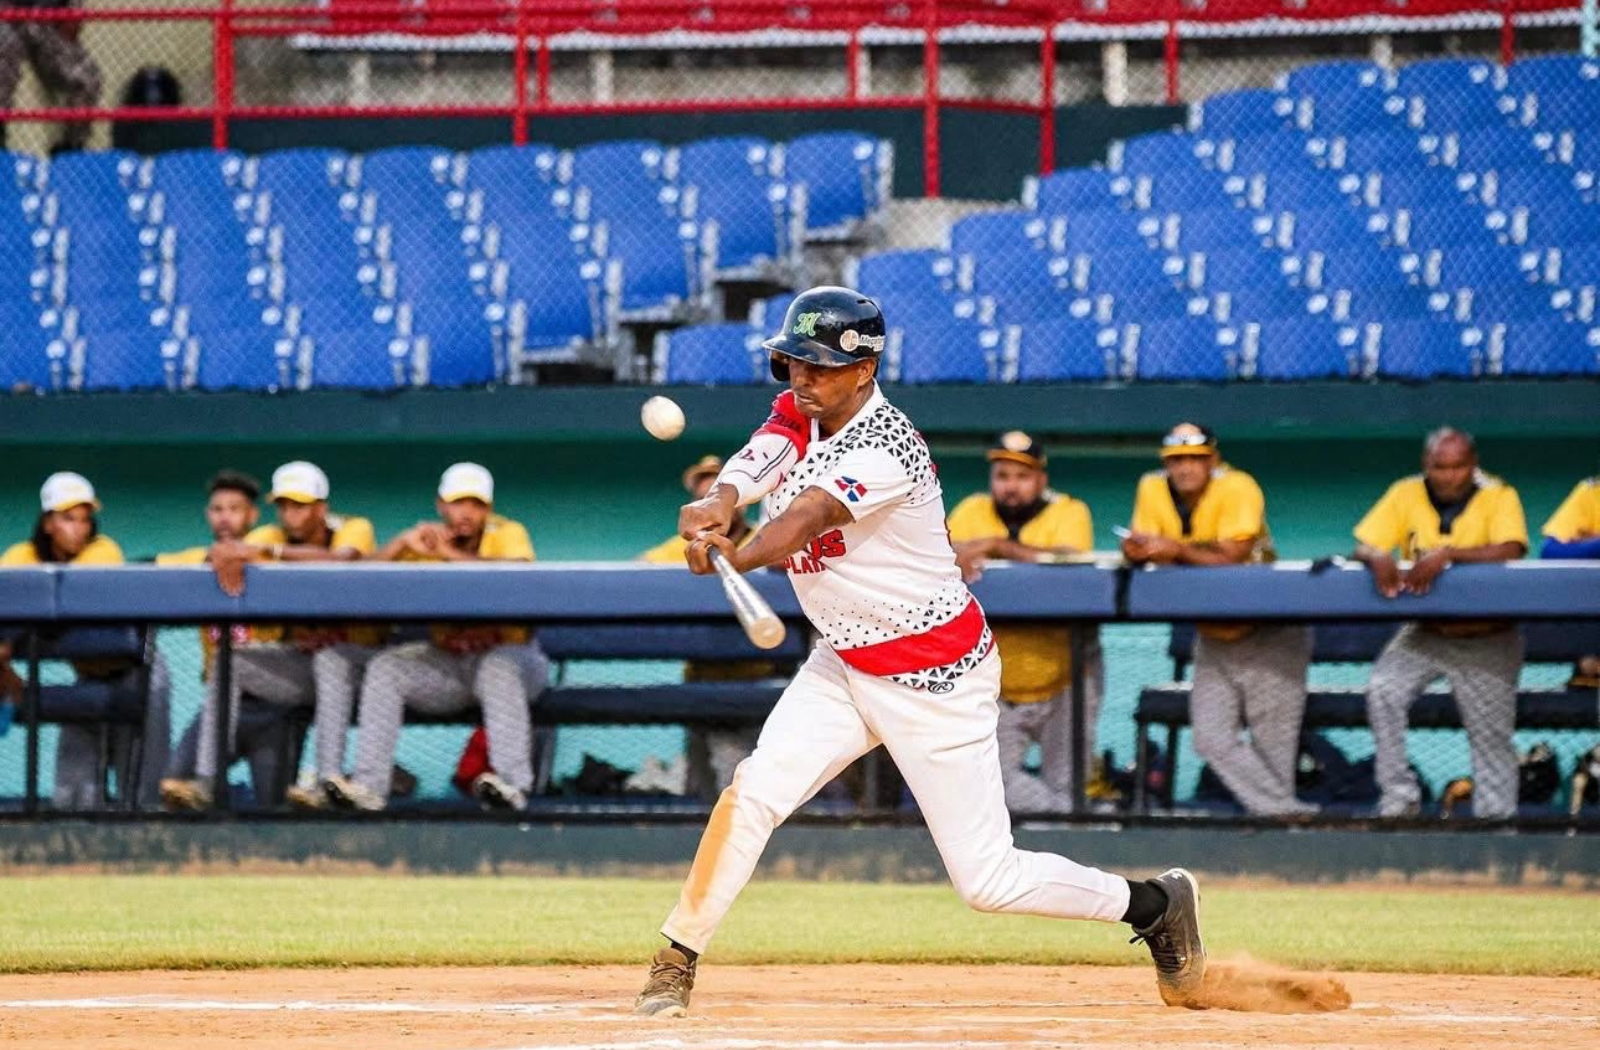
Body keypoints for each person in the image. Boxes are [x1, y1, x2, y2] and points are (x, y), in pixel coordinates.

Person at [632, 287, 1204, 1019]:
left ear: (863, 369)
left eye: (816, 367)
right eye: (790, 363)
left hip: (935, 678)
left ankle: (1155, 904)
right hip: (842, 663)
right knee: (753, 795)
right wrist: (721, 500)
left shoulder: (887, 445)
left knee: (989, 882)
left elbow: (808, 517)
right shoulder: (798, 411)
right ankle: (675, 960)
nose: (799, 379)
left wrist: (736, 556)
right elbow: (764, 454)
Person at [323, 462, 550, 813]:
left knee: (496, 666)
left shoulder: (507, 532)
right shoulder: (426, 542)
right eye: (458, 503)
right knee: (387, 667)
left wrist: (445, 555)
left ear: (488, 510)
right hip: (452, 668)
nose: (466, 512)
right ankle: (369, 786)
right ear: (441, 505)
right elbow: (357, 584)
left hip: (517, 663)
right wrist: (401, 545)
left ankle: (512, 787)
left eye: (476, 504)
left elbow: (516, 575)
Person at [159, 461, 382, 810]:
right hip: (300, 673)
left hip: (362, 671)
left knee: (330, 660)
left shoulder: (354, 527)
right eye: (284, 505)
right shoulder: (268, 536)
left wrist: (270, 554)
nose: (290, 514)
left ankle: (327, 781)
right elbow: (237, 550)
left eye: (300, 505)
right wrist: (226, 554)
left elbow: (341, 561)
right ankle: (205, 780)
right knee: (230, 660)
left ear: (321, 508)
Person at [1120, 424, 1314, 817]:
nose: (1186, 468)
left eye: (1195, 458)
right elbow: (1147, 549)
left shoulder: (1238, 485)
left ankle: (1281, 831)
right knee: (1210, 738)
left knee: (1273, 748)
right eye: (1177, 460)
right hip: (1212, 634)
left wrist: (1172, 549)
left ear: (1213, 460)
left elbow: (1232, 557)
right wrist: (1139, 552)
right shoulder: (1152, 487)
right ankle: (1290, 817)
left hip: (1269, 629)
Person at [1353, 427, 1528, 819]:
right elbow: (1365, 542)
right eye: (1440, 467)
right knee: (1383, 691)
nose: (1449, 475)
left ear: (1473, 464)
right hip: (1427, 632)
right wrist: (1374, 556)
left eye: (1458, 467)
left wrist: (1448, 554)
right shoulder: (1406, 492)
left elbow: (1511, 548)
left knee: (1490, 736)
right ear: (1425, 465)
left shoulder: (1499, 494)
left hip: (1488, 636)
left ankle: (1495, 826)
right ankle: (1400, 801)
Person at [946, 430, 1101, 814]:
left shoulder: (1069, 510)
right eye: (1002, 476)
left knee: (1070, 779)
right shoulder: (970, 511)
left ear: (1041, 480)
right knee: (981, 785)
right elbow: (935, 555)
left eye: (1022, 476)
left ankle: (1069, 826)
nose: (1011, 486)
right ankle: (1069, 816)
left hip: (1066, 678)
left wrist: (996, 547)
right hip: (996, 686)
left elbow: (1066, 565)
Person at [0, 472, 170, 808]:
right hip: (89, 679)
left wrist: (14, 635)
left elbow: (64, 594)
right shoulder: (23, 555)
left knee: (141, 793)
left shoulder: (103, 550)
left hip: (140, 677)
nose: (79, 528)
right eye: (68, 518)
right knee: (72, 798)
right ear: (48, 523)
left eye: (84, 519)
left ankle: (153, 855)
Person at [156, 470, 306, 804]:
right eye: (217, 509)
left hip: (270, 709)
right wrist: (217, 556)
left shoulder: (271, 550)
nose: (225, 517)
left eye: (235, 509)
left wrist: (243, 553)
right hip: (218, 707)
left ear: (252, 515)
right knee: (175, 785)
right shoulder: (195, 560)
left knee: (275, 807)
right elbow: (142, 569)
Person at [639, 454, 766, 801]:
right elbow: (638, 572)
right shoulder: (685, 548)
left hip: (766, 673)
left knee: (759, 776)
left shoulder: (766, 539)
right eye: (702, 501)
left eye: (717, 501)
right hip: (706, 674)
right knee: (708, 783)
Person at [0, 0, 102, 154]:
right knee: (3, 48)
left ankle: (71, 149)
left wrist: (73, 11)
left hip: (46, 21)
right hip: (8, 18)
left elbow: (74, 14)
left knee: (88, 78)